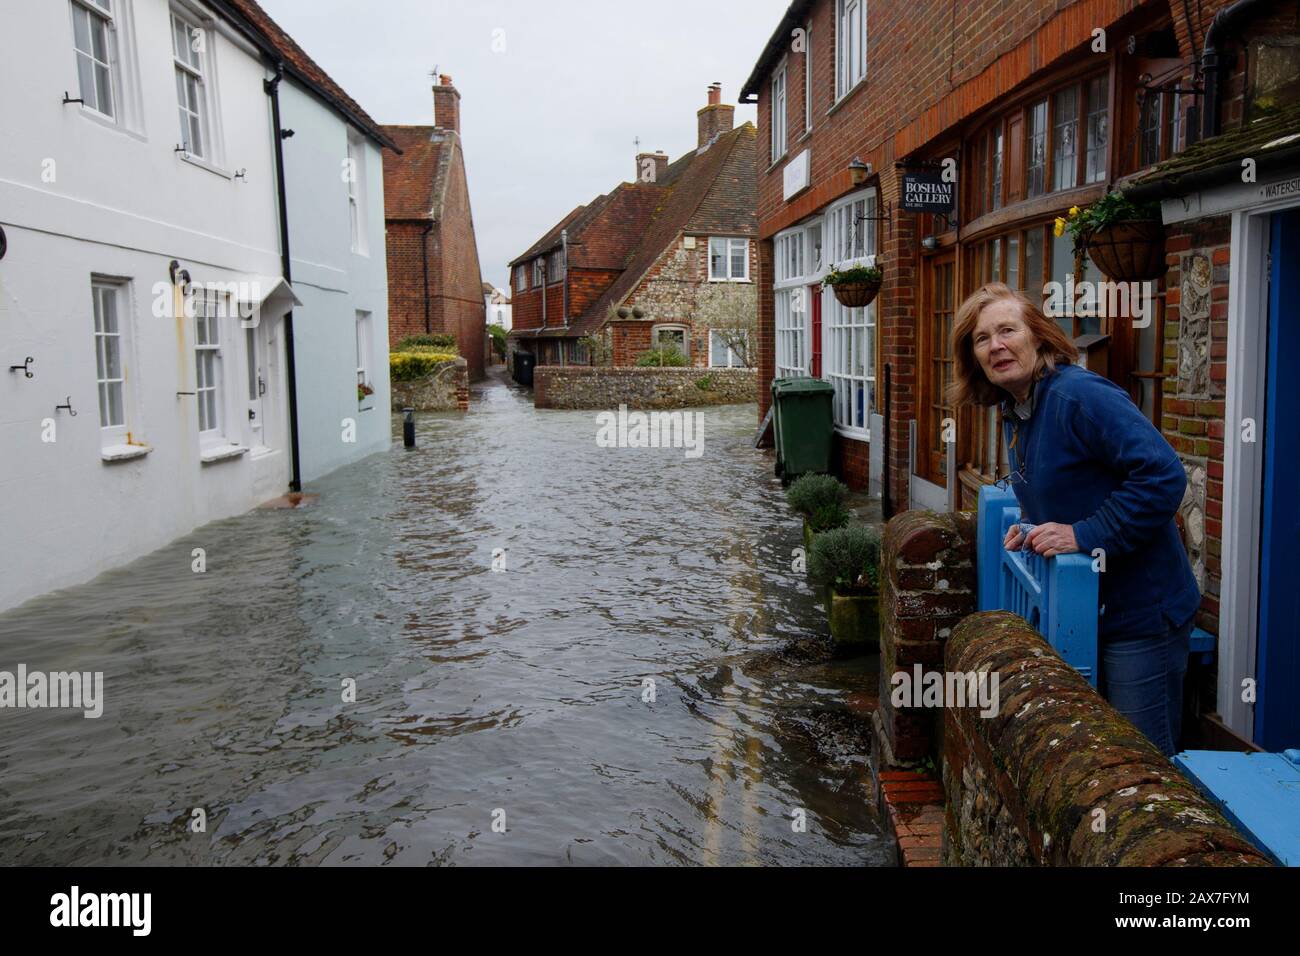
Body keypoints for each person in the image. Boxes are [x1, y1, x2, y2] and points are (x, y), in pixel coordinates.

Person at [949, 282, 1201, 756]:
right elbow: (1070, 483)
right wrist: (1033, 526)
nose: (996, 345)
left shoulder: (1078, 397)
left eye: (1008, 330)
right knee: (1097, 753)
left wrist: (1085, 534)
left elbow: (1163, 475)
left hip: (1141, 616)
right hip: (1092, 610)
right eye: (982, 338)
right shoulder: (1017, 407)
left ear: (1039, 337)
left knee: (1140, 763)